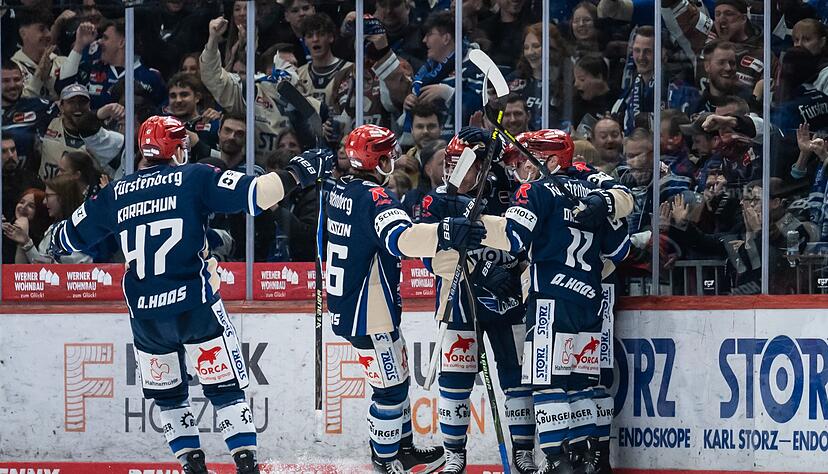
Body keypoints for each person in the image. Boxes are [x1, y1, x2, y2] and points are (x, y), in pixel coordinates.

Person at [48, 115, 332, 474]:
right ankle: (246, 466)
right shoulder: (194, 176)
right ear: (177, 149)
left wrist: (55, 237)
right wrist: (300, 172)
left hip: (148, 319)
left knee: (169, 398)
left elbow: (68, 237)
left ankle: (192, 468)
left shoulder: (117, 192)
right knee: (225, 389)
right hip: (194, 306)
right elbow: (258, 195)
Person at [325, 124, 486, 473]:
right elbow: (401, 239)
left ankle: (402, 448)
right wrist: (444, 231)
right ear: (377, 159)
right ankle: (386, 460)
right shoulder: (376, 198)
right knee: (391, 390)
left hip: (350, 305)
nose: (395, 160)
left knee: (397, 380)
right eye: (389, 155)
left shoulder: (339, 190)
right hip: (370, 312)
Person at [475, 129, 632, 474]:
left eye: (529, 156)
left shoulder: (535, 189)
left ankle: (558, 462)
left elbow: (514, 238)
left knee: (548, 384)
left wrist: (475, 225)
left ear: (550, 160)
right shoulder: (593, 191)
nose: (521, 165)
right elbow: (620, 249)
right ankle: (588, 460)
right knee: (581, 385)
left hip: (550, 297)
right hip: (589, 299)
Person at [415, 128, 538, 474]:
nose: (453, 172)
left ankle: (523, 452)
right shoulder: (435, 201)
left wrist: (514, 268)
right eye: (451, 163)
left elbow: (525, 241)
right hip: (459, 302)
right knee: (455, 381)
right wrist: (482, 272)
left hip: (506, 301)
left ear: (483, 166)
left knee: (517, 379)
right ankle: (455, 454)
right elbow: (432, 258)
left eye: (465, 164)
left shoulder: (509, 191)